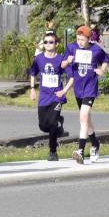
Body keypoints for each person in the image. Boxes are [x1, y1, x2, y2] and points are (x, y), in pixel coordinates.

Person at [65, 25, 109, 165]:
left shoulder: (96, 49)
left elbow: (106, 59)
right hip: (78, 88)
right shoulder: (72, 47)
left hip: (90, 87)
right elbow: (63, 64)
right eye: (78, 39)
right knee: (86, 120)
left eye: (83, 40)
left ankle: (80, 151)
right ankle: (95, 144)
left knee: (83, 116)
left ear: (89, 39)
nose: (80, 42)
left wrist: (102, 70)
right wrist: (67, 61)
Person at [29, 32, 70, 161]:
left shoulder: (61, 59)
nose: (47, 44)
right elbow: (32, 73)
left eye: (51, 42)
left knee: (52, 124)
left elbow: (72, 77)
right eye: (45, 42)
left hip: (57, 96)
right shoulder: (39, 58)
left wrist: (64, 91)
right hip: (44, 96)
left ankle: (53, 152)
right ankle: (59, 123)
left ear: (56, 44)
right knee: (43, 126)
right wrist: (32, 89)